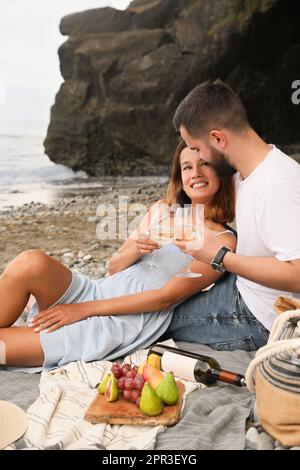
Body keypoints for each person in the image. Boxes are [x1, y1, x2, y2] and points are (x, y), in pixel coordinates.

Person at [0, 142, 236, 368]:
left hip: (122, 320)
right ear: (180, 177)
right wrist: (136, 248)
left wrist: (81, 310)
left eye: (204, 164)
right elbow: (113, 267)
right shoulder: (162, 210)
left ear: (221, 171)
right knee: (30, 262)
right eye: (187, 167)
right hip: (97, 291)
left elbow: (164, 298)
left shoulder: (223, 241)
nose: (195, 173)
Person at [162, 79, 300, 351]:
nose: (200, 159)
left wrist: (220, 257)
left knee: (157, 319)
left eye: (199, 149)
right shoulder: (248, 171)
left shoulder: (275, 185)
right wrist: (164, 211)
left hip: (259, 316)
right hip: (243, 285)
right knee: (159, 302)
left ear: (217, 139)